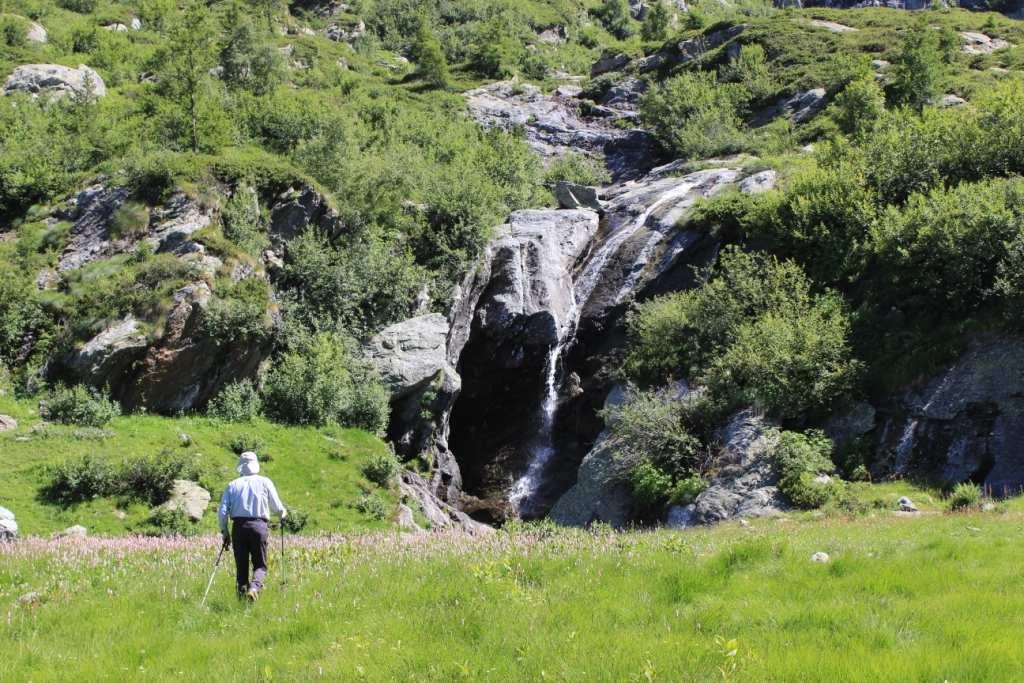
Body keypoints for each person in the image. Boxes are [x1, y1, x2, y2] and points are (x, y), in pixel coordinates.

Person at [217, 451, 287, 601]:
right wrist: (283, 515)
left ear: (241, 467)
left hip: (239, 527)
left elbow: (222, 511)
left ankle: (242, 600)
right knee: (260, 564)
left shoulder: (232, 485)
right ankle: (254, 588)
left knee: (241, 567)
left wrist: (225, 532)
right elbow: (277, 507)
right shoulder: (265, 482)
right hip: (259, 526)